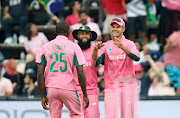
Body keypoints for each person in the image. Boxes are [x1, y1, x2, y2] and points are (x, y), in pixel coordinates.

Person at [36, 21, 89, 118]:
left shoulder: (44, 47)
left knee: (55, 116)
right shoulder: (74, 47)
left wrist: (43, 96)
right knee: (76, 114)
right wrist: (85, 94)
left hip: (51, 88)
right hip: (68, 87)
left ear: (56, 32)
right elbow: (80, 72)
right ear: (69, 32)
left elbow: (40, 73)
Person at [92, 18, 140, 118]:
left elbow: (137, 57)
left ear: (123, 29)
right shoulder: (106, 45)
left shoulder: (129, 44)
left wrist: (122, 47)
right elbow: (96, 63)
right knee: (110, 115)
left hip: (128, 86)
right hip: (111, 87)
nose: (115, 29)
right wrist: (96, 51)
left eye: (118, 27)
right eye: (113, 27)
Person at [72, 26, 100, 118]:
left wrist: (96, 50)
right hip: (75, 90)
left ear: (90, 36)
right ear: (78, 36)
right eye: (82, 34)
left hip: (91, 90)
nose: (84, 36)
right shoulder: (72, 50)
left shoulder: (95, 49)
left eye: (87, 34)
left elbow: (97, 64)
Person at [163, 22, 180, 95]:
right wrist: (169, 44)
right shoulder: (175, 36)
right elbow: (165, 50)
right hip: (172, 65)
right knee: (177, 85)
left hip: (178, 65)